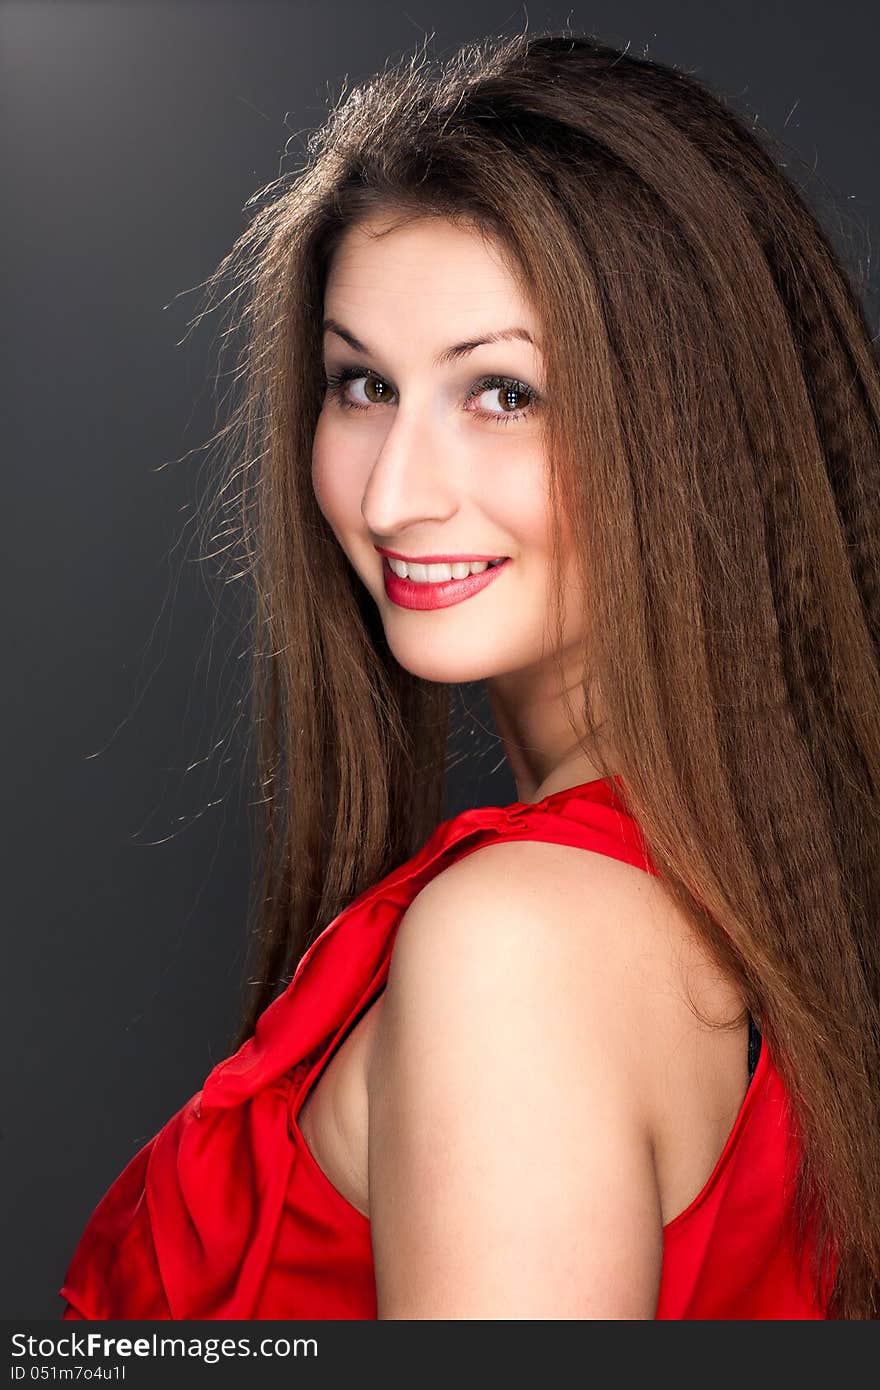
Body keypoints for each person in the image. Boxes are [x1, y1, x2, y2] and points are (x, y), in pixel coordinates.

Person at [60, 26, 880, 1320]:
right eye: (363, 384)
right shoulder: (763, 879)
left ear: (693, 428)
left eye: (503, 392)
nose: (394, 494)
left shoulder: (517, 946)